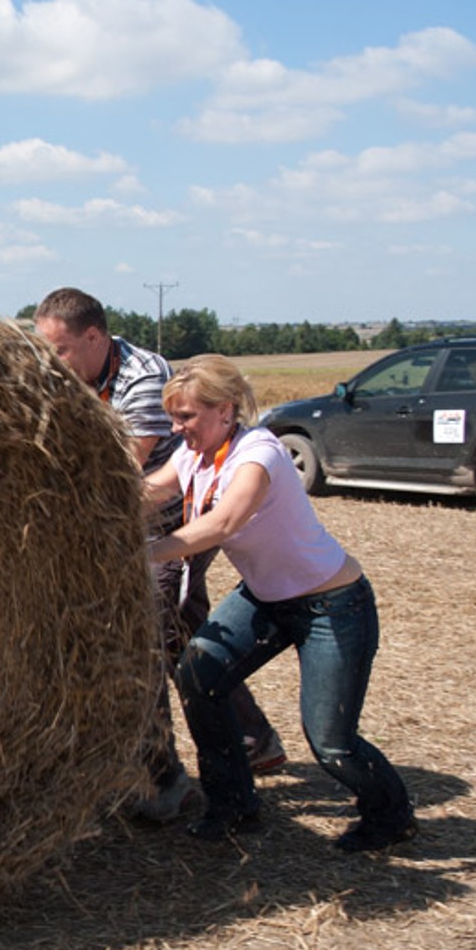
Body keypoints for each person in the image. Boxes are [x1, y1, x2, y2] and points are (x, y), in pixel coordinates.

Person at [142, 355, 418, 852]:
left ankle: (391, 814)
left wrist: (146, 551)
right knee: (198, 675)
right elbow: (147, 492)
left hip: (331, 605)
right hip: (266, 598)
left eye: (185, 417)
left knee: (331, 742)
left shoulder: (258, 454)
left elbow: (224, 523)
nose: (176, 428)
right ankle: (232, 805)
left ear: (224, 410)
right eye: (173, 417)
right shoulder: (194, 455)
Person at [32, 290, 284, 824]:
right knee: (185, 633)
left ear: (94, 339)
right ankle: (253, 738)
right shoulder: (69, 377)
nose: (50, 364)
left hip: (174, 516)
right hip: (128, 515)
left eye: (60, 351)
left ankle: (162, 779)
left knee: (142, 632)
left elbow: (124, 474)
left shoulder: (142, 380)